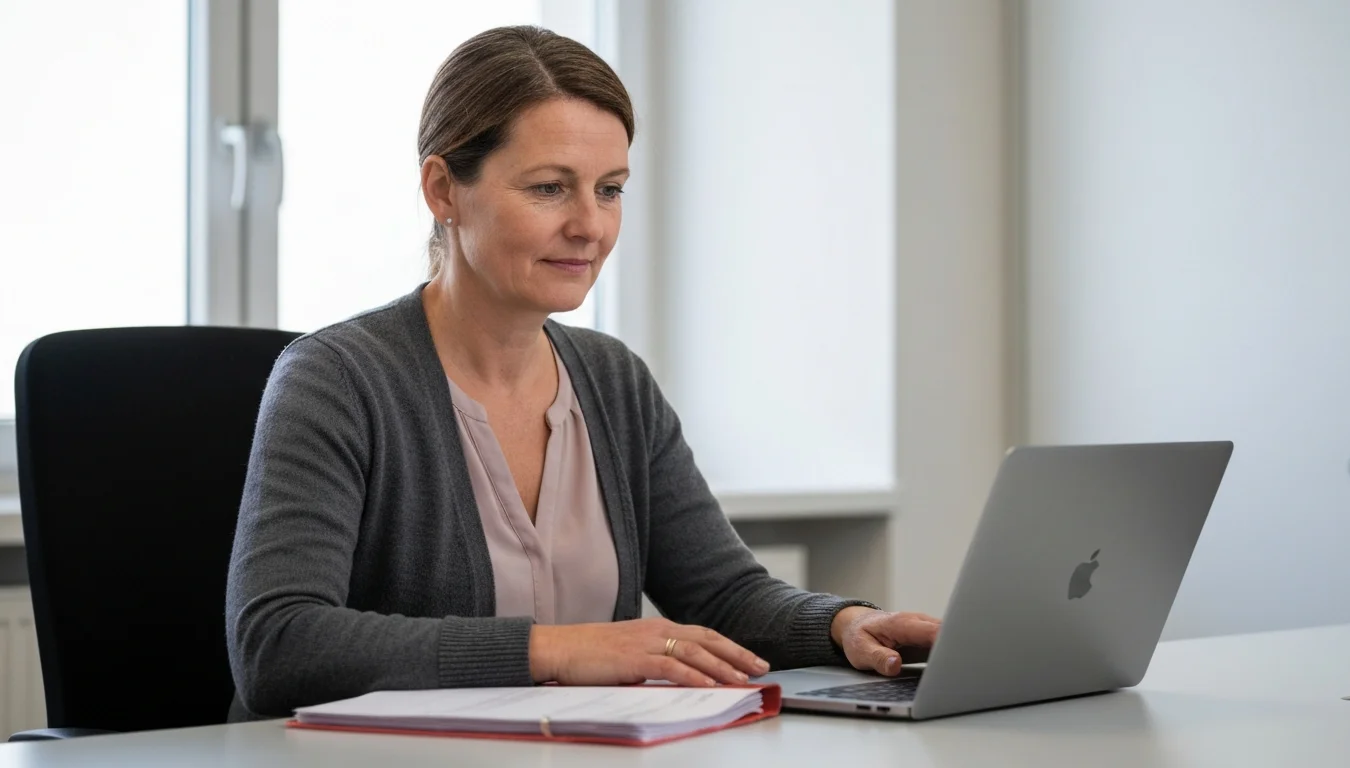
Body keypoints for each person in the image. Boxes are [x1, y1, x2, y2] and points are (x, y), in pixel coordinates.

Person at [224, 25, 939, 721]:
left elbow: (723, 595)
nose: (590, 227)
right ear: (443, 190)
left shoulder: (611, 379)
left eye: (610, 189)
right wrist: (558, 651)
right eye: (548, 188)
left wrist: (841, 624)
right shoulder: (337, 380)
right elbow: (279, 644)